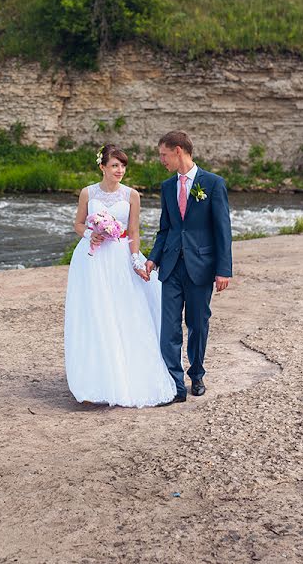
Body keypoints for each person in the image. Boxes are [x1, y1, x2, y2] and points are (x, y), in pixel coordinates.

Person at [64, 144, 177, 407]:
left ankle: (126, 376)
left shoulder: (132, 195)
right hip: (91, 261)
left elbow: (134, 231)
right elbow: (78, 224)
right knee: (95, 313)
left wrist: (136, 259)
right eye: (115, 165)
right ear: (102, 166)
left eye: (123, 166)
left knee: (125, 311)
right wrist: (90, 233)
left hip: (119, 257)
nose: (120, 170)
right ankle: (94, 382)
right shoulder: (87, 193)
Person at [145, 131, 233, 403]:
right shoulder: (167, 186)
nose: (161, 160)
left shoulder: (214, 184)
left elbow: (223, 230)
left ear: (179, 150)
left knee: (197, 323)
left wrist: (224, 269)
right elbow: (166, 229)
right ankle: (175, 384)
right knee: (169, 328)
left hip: (201, 266)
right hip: (170, 267)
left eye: (164, 154)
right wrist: (153, 258)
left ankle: (196, 374)